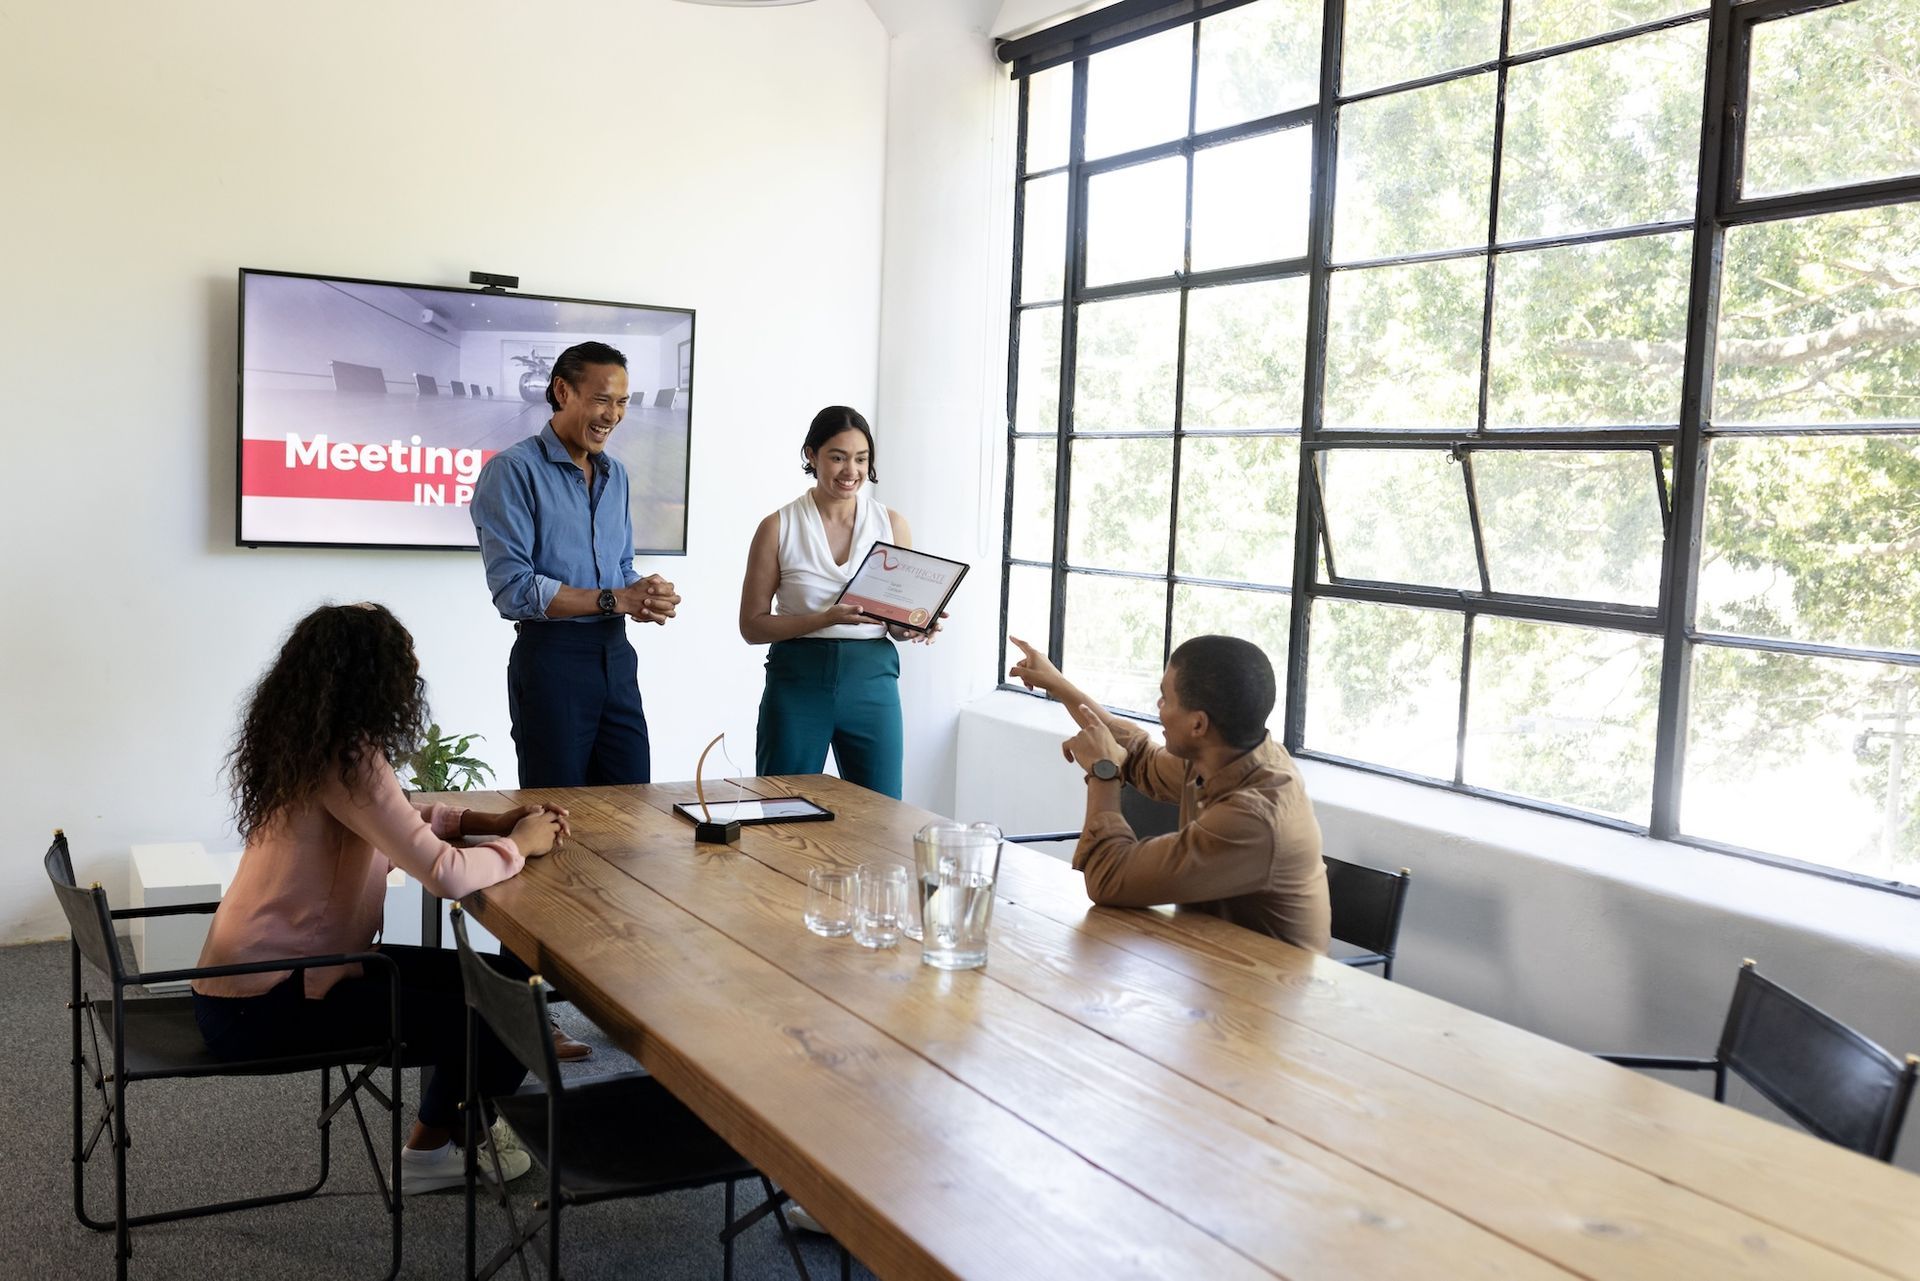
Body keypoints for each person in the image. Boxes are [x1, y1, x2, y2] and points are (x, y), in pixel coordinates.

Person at [191, 603, 572, 1195]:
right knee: (503, 1015)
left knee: (500, 984)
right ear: (374, 673)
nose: (414, 670)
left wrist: (484, 820)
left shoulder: (312, 745)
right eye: (404, 658)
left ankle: (454, 1134)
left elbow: (397, 820)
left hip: (257, 984)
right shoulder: (348, 759)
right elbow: (445, 874)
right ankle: (438, 1147)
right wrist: (518, 845)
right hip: (272, 1000)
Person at [1007, 633, 1331, 953]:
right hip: (1207, 974)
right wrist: (1057, 685)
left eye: (1166, 698)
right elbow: (1139, 756)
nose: (1159, 706)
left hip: (1269, 995)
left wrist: (1102, 771)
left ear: (1198, 725)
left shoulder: (1254, 819)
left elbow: (1108, 877)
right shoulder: (1225, 754)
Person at [470, 340, 682, 787]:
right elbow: (514, 590)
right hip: (552, 661)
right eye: (601, 400)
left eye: (622, 402)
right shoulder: (511, 471)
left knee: (631, 808)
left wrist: (644, 594)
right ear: (563, 392)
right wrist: (615, 599)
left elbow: (621, 568)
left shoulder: (616, 474)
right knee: (558, 818)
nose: (613, 415)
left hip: (617, 659)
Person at [738, 406, 936, 800]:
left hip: (873, 681)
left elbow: (895, 625)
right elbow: (752, 626)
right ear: (811, 456)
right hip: (798, 681)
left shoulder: (892, 524)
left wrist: (915, 625)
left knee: (882, 816)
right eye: (838, 457)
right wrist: (822, 619)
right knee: (783, 810)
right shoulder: (778, 527)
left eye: (861, 459)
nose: (851, 471)